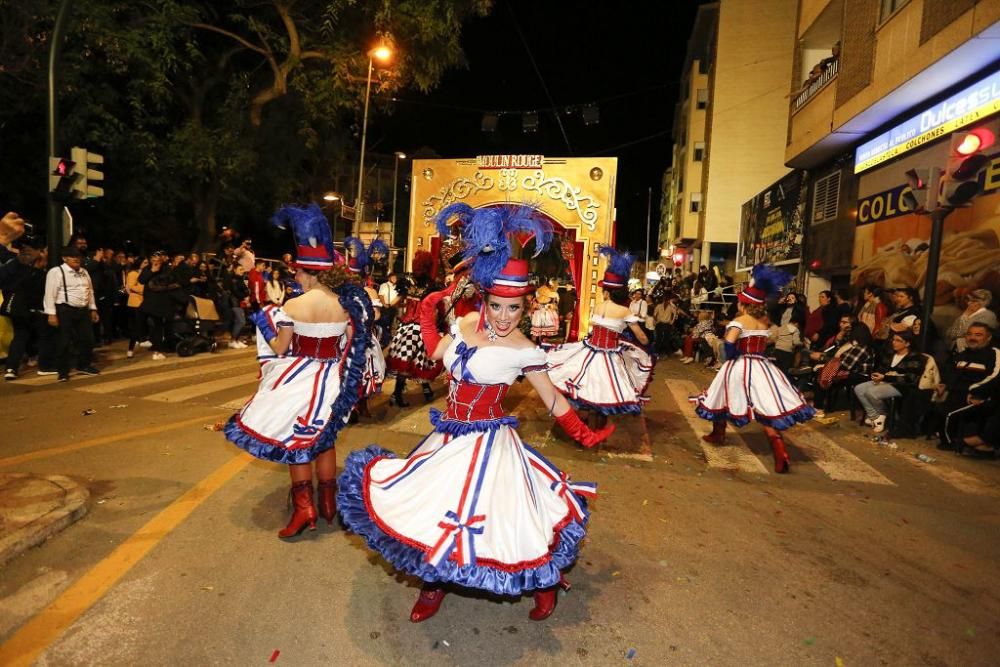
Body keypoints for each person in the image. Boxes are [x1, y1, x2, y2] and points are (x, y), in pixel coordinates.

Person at [337, 202, 613, 624]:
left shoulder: (525, 350)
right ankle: (434, 585)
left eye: (515, 308)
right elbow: (435, 355)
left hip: (489, 442)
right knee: (433, 512)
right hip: (447, 435)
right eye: (499, 306)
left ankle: (545, 582)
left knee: (511, 521)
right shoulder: (464, 325)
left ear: (525, 306)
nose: (505, 317)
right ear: (485, 297)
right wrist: (428, 310)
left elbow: (553, 399)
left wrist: (582, 433)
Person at [224, 204, 370, 539]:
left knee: (296, 442)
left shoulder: (294, 305)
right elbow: (352, 344)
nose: (296, 279)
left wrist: (262, 318)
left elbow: (279, 347)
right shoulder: (345, 304)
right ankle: (329, 504)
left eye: (299, 274)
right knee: (325, 439)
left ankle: (306, 509)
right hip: (333, 380)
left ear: (307, 272)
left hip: (299, 378)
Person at [693, 264, 815, 473]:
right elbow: (767, 341)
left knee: (721, 397)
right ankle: (779, 448)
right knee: (765, 407)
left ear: (743, 304)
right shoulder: (763, 323)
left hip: (740, 365)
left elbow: (729, 344)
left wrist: (730, 357)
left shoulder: (739, 321)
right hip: (762, 366)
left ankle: (718, 433)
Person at [546, 246, 653, 426]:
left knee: (586, 386)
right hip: (610, 356)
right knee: (605, 389)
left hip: (588, 351)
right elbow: (641, 337)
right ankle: (598, 425)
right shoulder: (624, 311)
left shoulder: (598, 307)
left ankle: (584, 424)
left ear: (607, 292)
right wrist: (646, 346)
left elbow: (594, 326)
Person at [386, 251, 442, 406]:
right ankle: (398, 394)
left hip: (405, 327)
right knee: (419, 360)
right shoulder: (431, 287)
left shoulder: (407, 284)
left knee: (409, 359)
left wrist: (390, 305)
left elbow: (395, 302)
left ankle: (422, 391)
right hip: (420, 328)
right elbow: (434, 312)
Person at [933, 323, 1000, 451]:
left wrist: (976, 392)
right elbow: (951, 372)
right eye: (969, 334)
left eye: (978, 335)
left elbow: (995, 376)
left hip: (981, 396)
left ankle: (953, 443)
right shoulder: (963, 354)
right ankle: (952, 440)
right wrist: (945, 384)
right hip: (956, 394)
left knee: (948, 414)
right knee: (936, 407)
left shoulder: (994, 354)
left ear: (989, 337)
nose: (972, 338)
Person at [344, 236, 389, 419]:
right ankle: (358, 406)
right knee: (362, 371)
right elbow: (376, 316)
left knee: (353, 371)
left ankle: (356, 406)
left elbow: (375, 315)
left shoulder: (344, 290)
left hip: (351, 336)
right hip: (360, 336)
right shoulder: (368, 291)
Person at [43, 246, 101, 382]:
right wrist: (51, 314)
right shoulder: (56, 272)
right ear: (64, 258)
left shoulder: (84, 272)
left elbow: (90, 291)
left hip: (82, 310)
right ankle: (63, 371)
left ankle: (84, 365)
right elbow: (50, 294)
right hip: (65, 310)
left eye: (78, 256)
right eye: (72, 256)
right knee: (64, 341)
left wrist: (93, 309)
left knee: (88, 339)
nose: (76, 259)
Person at [853, 329, 925, 433]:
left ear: (907, 343)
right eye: (893, 339)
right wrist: (877, 374)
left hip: (901, 386)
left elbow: (910, 378)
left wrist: (886, 377)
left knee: (871, 392)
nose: (893, 342)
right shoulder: (891, 354)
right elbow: (883, 368)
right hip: (886, 381)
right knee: (859, 388)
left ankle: (882, 416)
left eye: (898, 340)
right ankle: (875, 416)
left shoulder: (913, 357)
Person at [4, 245, 54, 380]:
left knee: (20, 337)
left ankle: (11, 368)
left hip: (17, 309)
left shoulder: (20, 271)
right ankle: (45, 366)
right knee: (44, 335)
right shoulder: (39, 274)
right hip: (30, 310)